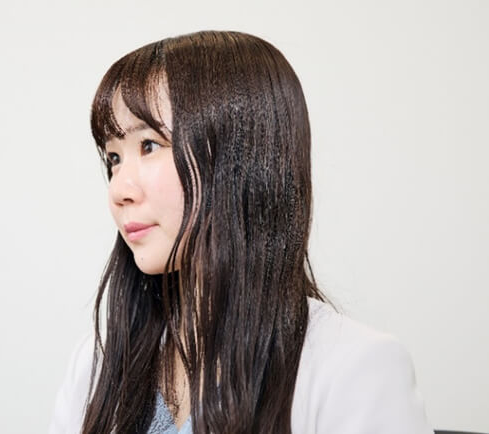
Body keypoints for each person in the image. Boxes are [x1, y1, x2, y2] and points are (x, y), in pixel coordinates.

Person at [49, 31, 433, 434]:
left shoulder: (354, 370)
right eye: (114, 157)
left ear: (239, 158)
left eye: (148, 145)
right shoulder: (98, 365)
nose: (118, 191)